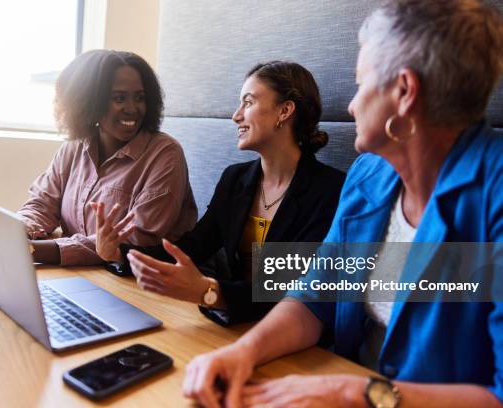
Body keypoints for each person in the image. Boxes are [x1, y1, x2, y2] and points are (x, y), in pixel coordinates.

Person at [182, 1, 503, 407]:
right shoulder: (368, 175)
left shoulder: (495, 192)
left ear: (404, 92)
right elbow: (315, 297)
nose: (351, 105)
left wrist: (358, 393)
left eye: (360, 83)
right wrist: (241, 352)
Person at [94, 61, 346, 325]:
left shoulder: (329, 191)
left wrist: (209, 291)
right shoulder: (234, 179)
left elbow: (290, 292)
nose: (236, 116)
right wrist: (120, 253)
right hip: (234, 321)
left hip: (290, 333)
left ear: (285, 111)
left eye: (247, 102)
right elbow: (192, 249)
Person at [0, 50, 197, 266]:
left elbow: (135, 242)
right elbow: (41, 205)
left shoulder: (165, 154)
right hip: (81, 278)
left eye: (140, 98)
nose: (132, 108)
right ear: (89, 102)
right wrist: (1, 233)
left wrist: (25, 251)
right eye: (119, 98)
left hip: (140, 285)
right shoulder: (73, 149)